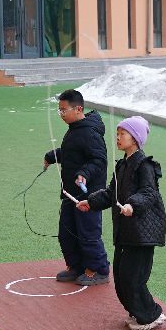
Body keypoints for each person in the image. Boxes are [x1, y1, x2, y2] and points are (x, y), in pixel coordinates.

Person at [78, 117, 166, 330]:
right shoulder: (122, 165)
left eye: (122, 134)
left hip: (142, 233)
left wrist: (132, 205)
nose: (117, 138)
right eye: (117, 133)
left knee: (133, 277)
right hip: (125, 231)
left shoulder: (144, 165)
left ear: (135, 138)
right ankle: (138, 312)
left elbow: (149, 193)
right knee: (120, 276)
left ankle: (151, 315)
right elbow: (111, 193)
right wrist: (91, 202)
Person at [44, 90, 110, 286]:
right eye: (59, 110)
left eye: (64, 110)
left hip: (89, 195)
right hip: (70, 193)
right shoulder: (75, 129)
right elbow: (71, 152)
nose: (61, 114)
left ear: (78, 109)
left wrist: (84, 174)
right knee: (67, 231)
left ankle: (99, 270)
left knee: (88, 233)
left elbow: (99, 159)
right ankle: (76, 266)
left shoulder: (90, 132)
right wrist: (51, 156)